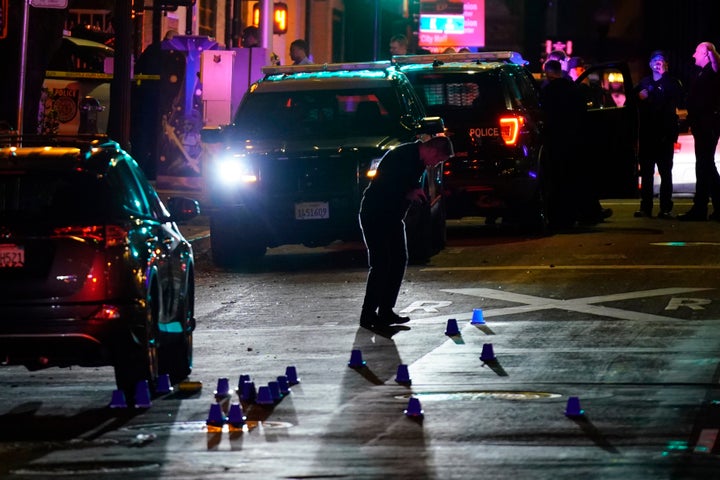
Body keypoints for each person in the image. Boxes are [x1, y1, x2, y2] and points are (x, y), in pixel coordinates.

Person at [359, 136, 453, 329]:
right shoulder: (402, 156)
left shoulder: (418, 161)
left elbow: (408, 182)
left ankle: (386, 311)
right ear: (433, 151)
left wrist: (415, 190)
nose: (436, 164)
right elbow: (386, 185)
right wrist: (408, 193)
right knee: (381, 263)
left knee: (399, 259)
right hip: (376, 214)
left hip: (392, 217)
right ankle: (368, 315)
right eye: (439, 160)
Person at [540, 60, 612, 229]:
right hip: (577, 141)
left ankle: (563, 217)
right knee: (580, 179)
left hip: (556, 144)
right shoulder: (575, 89)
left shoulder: (546, 93)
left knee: (559, 183)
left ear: (548, 73)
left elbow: (544, 118)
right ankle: (588, 213)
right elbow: (585, 115)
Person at [633, 50, 683, 219]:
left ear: (666, 65)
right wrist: (639, 96)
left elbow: (678, 97)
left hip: (664, 135)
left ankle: (666, 208)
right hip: (647, 135)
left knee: (665, 172)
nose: (658, 63)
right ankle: (645, 208)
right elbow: (630, 101)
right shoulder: (644, 82)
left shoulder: (672, 82)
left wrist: (665, 77)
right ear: (649, 64)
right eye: (654, 60)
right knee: (646, 173)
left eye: (661, 61)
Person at [678, 41, 720, 221]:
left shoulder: (712, 72)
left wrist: (711, 52)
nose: (694, 55)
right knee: (705, 166)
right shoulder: (704, 73)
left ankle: (701, 207)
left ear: (706, 54)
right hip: (702, 125)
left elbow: (718, 67)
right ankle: (703, 207)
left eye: (697, 51)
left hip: (707, 126)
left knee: (705, 165)